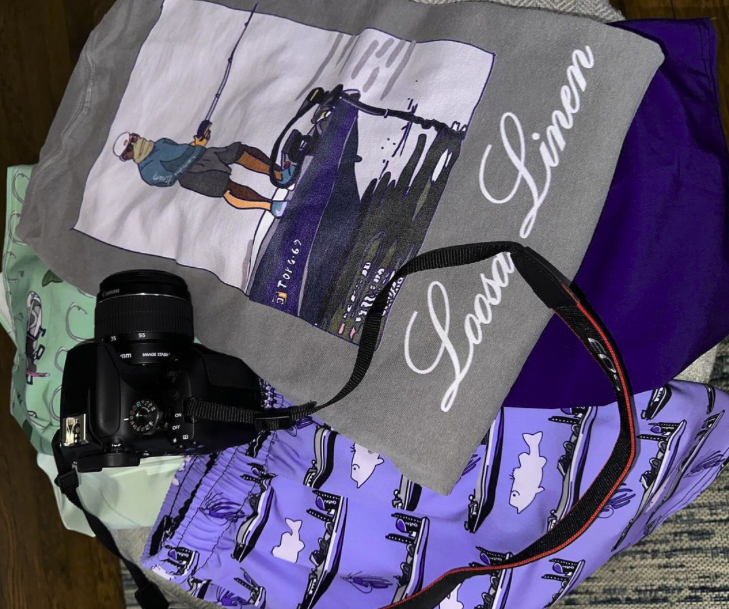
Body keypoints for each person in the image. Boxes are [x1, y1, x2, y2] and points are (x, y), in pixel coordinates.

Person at [112, 130, 295, 217]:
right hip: (192, 177)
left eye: (134, 138)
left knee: (240, 151)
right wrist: (197, 149)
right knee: (228, 188)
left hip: (203, 155)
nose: (136, 142)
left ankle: (281, 176)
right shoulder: (147, 171)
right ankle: (271, 206)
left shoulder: (160, 142)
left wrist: (198, 142)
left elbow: (182, 151)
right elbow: (171, 178)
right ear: (127, 156)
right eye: (130, 147)